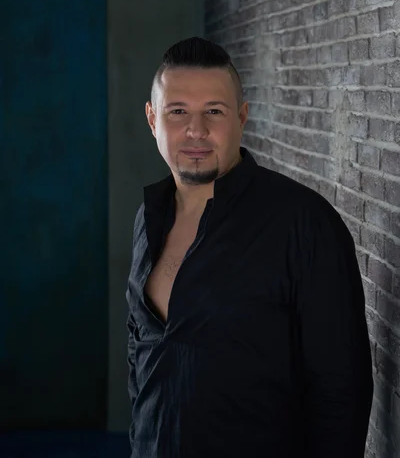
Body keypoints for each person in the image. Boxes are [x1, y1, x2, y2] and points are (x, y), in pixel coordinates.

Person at [126, 36, 373, 458]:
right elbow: (141, 351)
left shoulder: (304, 224)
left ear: (242, 117)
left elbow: (341, 394)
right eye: (178, 111)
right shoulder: (147, 219)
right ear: (153, 120)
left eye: (214, 112)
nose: (196, 130)